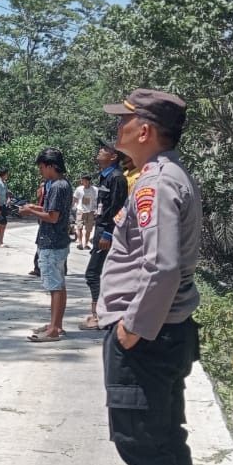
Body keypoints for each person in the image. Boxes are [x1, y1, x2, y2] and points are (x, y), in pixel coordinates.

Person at [92, 89, 203, 465]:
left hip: (148, 337)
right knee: (166, 435)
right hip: (168, 333)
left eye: (124, 123)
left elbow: (160, 268)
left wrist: (131, 328)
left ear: (145, 131)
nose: (116, 132)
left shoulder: (154, 185)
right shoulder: (166, 177)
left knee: (144, 445)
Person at [19, 149, 71, 342]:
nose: (40, 171)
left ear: (50, 166)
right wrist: (34, 207)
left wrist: (31, 212)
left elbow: (52, 216)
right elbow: (51, 209)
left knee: (55, 286)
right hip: (58, 241)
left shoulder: (57, 186)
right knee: (59, 284)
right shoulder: (63, 184)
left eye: (41, 167)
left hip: (52, 242)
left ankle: (54, 329)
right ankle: (55, 324)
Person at [80, 142, 129, 331]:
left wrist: (108, 233)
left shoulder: (117, 178)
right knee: (102, 274)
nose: (99, 152)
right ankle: (102, 314)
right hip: (101, 228)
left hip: (108, 231)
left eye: (104, 150)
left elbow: (118, 208)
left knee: (93, 274)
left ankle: (99, 316)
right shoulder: (105, 177)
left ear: (113, 157)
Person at [74, 175, 98, 249]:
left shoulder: (95, 189)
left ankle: (86, 244)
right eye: (81, 180)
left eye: (83, 180)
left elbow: (98, 200)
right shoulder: (79, 189)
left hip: (90, 211)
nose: (82, 182)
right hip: (80, 210)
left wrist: (97, 209)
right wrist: (70, 208)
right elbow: (74, 198)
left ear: (88, 181)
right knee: (79, 227)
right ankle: (80, 243)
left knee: (88, 229)